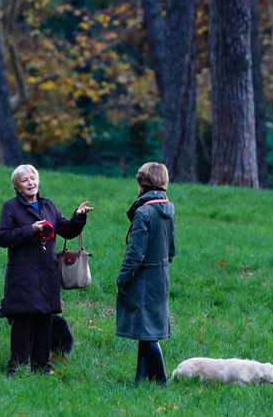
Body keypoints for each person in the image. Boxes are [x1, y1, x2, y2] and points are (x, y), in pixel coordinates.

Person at [0, 165, 93, 376]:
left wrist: (78, 217)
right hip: (22, 272)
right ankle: (18, 366)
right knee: (22, 318)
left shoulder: (48, 205)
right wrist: (30, 230)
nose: (30, 183)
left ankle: (41, 366)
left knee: (44, 317)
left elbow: (67, 230)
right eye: (25, 180)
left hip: (47, 271)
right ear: (17, 186)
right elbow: (2, 237)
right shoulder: (11, 207)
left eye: (33, 178)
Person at [116, 162, 176, 385]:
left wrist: (122, 278)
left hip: (143, 279)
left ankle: (161, 380)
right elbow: (172, 250)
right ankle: (140, 379)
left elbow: (135, 253)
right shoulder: (168, 209)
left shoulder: (144, 212)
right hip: (161, 277)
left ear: (142, 183)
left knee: (148, 333)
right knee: (146, 328)